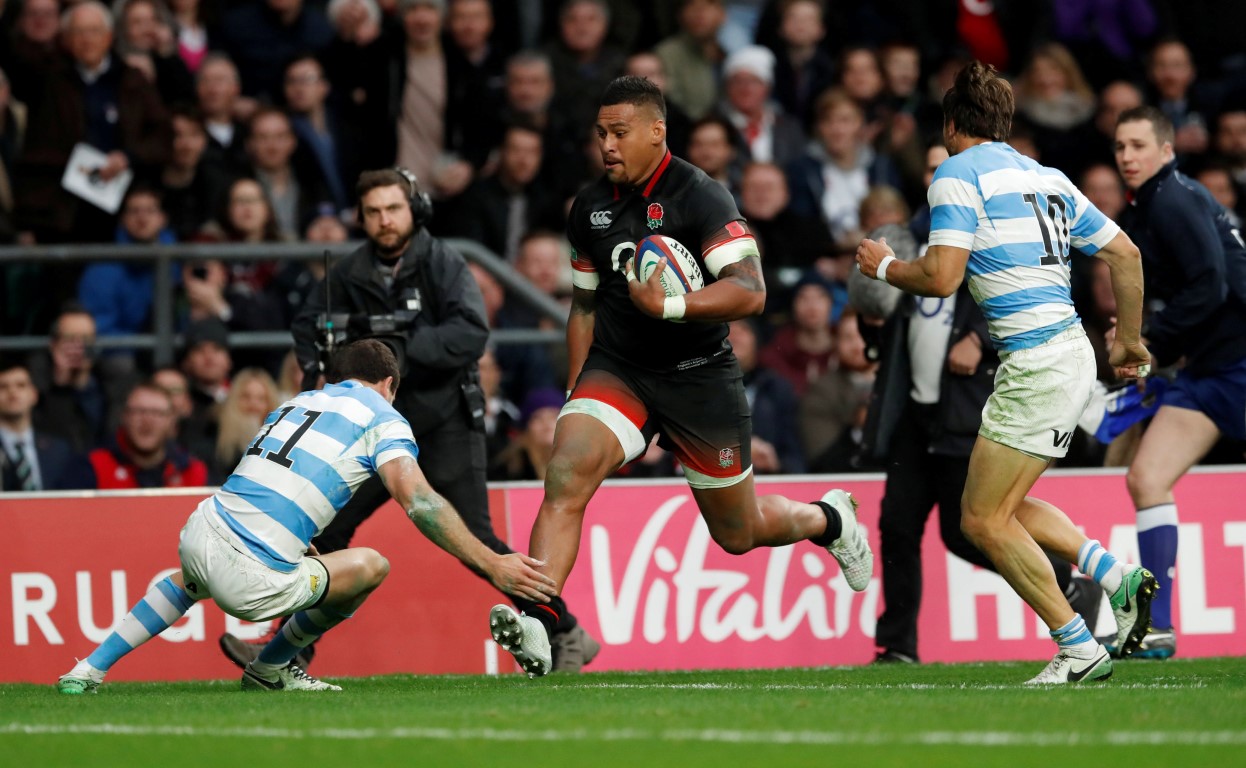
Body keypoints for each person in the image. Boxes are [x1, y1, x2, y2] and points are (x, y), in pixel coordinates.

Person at [487, 76, 873, 679]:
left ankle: (829, 519)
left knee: (738, 533)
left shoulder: (702, 196)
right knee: (565, 473)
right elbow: (584, 307)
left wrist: (668, 307)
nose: (607, 145)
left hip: (699, 377)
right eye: (600, 134)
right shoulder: (589, 207)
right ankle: (542, 618)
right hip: (621, 370)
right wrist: (573, 397)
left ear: (656, 131)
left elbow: (751, 291)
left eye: (619, 133)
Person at [223, 168, 600, 673]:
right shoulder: (347, 272)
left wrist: (394, 347)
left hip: (444, 421)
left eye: (393, 209)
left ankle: (563, 629)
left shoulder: (443, 262)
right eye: (374, 211)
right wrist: (317, 370)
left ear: (414, 209)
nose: (384, 220)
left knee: (473, 540)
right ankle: (282, 653)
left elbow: (470, 334)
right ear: (362, 217)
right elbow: (308, 326)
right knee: (327, 533)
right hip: (368, 428)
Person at [855, 61, 1156, 684]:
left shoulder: (956, 173)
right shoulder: (1047, 176)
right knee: (1003, 507)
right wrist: (1126, 342)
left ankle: (1077, 644)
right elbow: (1125, 253)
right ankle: (1115, 576)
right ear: (1005, 122)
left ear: (951, 125)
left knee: (981, 520)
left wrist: (884, 267)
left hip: (1036, 363)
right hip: (1069, 354)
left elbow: (941, 277)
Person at [57, 339, 556, 694]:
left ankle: (89, 669)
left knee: (189, 580)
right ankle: (271, 666)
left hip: (202, 528)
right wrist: (493, 563)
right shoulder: (384, 417)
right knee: (369, 566)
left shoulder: (299, 401)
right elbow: (421, 502)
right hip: (253, 579)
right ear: (389, 384)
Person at [1111, 106, 1246, 659]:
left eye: (1139, 146)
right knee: (1146, 478)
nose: (1127, 157)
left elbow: (1211, 285)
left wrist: (1150, 342)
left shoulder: (1173, 199)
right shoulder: (1152, 205)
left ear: (1166, 151)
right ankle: (1157, 627)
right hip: (1208, 369)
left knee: (1146, 477)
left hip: (1237, 363)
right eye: (1120, 147)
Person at [88, 380, 208, 490]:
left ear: (171, 421)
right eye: (139, 411)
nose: (147, 421)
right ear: (124, 416)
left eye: (157, 413)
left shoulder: (193, 471)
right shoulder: (92, 466)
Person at [0, 358, 95, 492]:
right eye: (3, 387)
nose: (12, 393)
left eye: (20, 385)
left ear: (34, 395)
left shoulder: (59, 449)